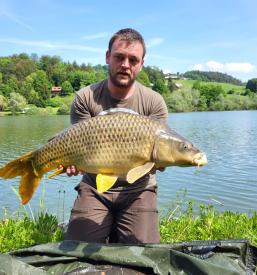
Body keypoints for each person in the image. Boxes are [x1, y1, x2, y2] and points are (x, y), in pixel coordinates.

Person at [65, 28, 168, 244]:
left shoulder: (154, 102)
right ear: (107, 57)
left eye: (133, 60)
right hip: (95, 187)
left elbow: (160, 155)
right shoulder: (85, 98)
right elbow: (80, 144)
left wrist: (164, 160)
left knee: (144, 254)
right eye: (119, 57)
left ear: (141, 64)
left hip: (139, 188)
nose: (125, 65)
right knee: (77, 251)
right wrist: (71, 160)